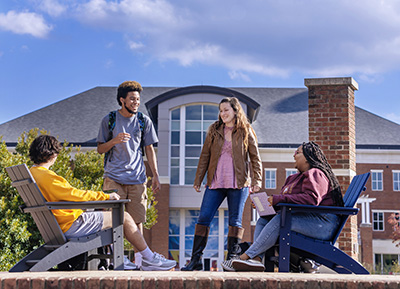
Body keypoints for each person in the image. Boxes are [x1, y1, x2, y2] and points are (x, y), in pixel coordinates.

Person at [29, 135, 176, 271]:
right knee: (123, 217)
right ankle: (149, 258)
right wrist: (104, 196)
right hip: (71, 225)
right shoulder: (47, 177)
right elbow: (74, 195)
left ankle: (117, 259)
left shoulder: (33, 173)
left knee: (107, 214)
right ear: (52, 154)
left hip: (57, 225)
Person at [221, 141, 344, 272]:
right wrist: (268, 205)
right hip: (308, 220)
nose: (294, 155)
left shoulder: (315, 173)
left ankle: (245, 257)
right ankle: (256, 259)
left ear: (308, 157)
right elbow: (291, 203)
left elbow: (311, 199)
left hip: (323, 224)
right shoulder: (294, 178)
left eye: (297, 152)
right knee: (264, 219)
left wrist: (277, 199)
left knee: (281, 221)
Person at [181, 97, 262, 271]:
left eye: (226, 110)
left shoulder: (246, 130)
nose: (222, 113)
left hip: (239, 183)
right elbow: (205, 156)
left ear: (235, 110)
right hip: (215, 182)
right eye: (220, 110)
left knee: (235, 220)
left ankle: (231, 261)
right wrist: (198, 179)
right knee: (204, 218)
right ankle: (196, 261)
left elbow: (255, 157)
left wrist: (257, 180)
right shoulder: (214, 130)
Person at [97, 81, 161, 267]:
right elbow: (100, 149)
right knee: (111, 220)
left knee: (137, 220)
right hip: (114, 178)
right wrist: (115, 141)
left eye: (138, 99)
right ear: (122, 100)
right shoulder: (109, 120)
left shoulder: (143, 121)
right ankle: (116, 259)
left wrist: (155, 174)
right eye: (132, 99)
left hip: (137, 179)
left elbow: (149, 149)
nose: (136, 102)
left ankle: (140, 260)